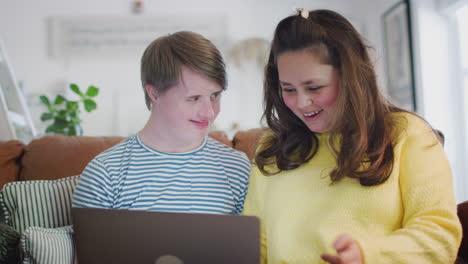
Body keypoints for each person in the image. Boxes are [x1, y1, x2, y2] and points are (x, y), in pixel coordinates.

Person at [242, 9, 462, 264]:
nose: (301, 102)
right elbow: (257, 243)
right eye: (288, 89)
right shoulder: (271, 148)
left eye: (314, 87)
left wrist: (368, 257)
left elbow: (439, 236)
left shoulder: (407, 134)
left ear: (351, 78)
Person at [72, 31, 251, 215]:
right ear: (154, 93)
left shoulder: (237, 168)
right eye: (194, 98)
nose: (209, 112)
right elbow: (90, 244)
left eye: (215, 96)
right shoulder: (105, 173)